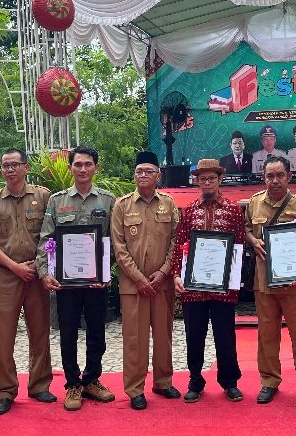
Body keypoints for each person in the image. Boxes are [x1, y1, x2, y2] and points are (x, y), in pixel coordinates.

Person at [0, 149, 56, 415]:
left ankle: (40, 384)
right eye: (5, 166)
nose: (10, 170)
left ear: (25, 167)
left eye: (15, 165)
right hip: (6, 275)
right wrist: (14, 266)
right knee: (3, 336)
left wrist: (39, 265)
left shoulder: (43, 197)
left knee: (40, 331)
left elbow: (52, 234)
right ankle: (5, 391)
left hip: (36, 274)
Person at [36, 145, 117, 412]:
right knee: (68, 333)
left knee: (97, 332)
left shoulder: (107, 200)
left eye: (88, 164)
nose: (83, 169)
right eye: (78, 164)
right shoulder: (57, 201)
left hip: (96, 281)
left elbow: (114, 242)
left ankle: (92, 379)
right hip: (66, 282)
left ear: (96, 167)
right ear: (71, 167)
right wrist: (45, 273)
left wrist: (107, 272)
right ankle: (73, 383)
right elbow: (47, 239)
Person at [244, 155, 296, 404]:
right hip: (264, 282)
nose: (274, 180)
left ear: (289, 176)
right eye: (269, 176)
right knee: (266, 335)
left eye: (280, 175)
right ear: (263, 177)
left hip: (295, 282)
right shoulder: (254, 203)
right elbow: (245, 229)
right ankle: (269, 381)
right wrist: (253, 240)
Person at [171, 159, 245, 403]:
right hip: (194, 285)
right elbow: (180, 245)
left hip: (222, 285)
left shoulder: (234, 210)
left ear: (220, 179)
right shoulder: (189, 210)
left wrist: (233, 281)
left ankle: (230, 381)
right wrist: (176, 275)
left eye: (211, 178)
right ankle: (195, 378)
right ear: (197, 181)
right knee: (194, 334)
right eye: (202, 178)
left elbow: (239, 248)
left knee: (225, 334)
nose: (207, 182)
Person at [112, 151, 181, 410]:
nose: (143, 175)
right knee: (135, 339)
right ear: (134, 175)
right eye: (139, 171)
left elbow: (176, 240)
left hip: (161, 284)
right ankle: (135, 388)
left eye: (148, 171)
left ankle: (163, 381)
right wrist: (139, 278)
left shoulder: (169, 204)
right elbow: (119, 247)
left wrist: (163, 272)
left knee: (163, 336)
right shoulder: (122, 205)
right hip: (134, 286)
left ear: (158, 176)